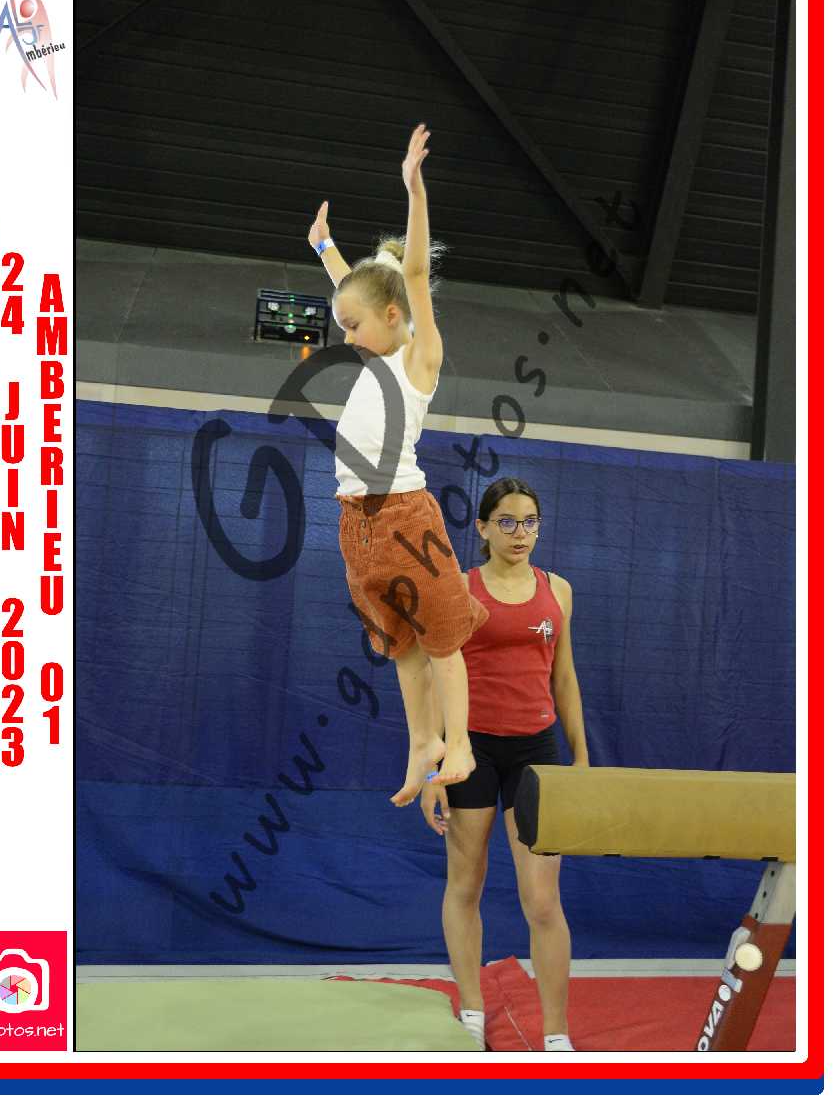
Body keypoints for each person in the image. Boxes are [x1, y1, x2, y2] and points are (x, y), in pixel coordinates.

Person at [308, 124, 487, 806]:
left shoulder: (418, 357)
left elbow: (410, 275)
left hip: (406, 516)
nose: (347, 338)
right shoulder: (378, 351)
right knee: (402, 644)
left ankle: (459, 741)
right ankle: (422, 742)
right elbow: (355, 292)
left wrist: (415, 190)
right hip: (356, 523)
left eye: (353, 327)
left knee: (441, 639)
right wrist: (324, 248)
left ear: (391, 316)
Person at [420, 477, 589, 1052]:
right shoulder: (459, 589)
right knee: (465, 884)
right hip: (470, 750)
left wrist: (581, 757)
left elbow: (563, 676)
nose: (521, 534)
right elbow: (433, 680)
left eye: (531, 522)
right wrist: (434, 768)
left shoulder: (558, 591)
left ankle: (556, 1033)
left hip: (534, 751)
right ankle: (472, 1006)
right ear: (484, 527)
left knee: (542, 901)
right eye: (508, 522)